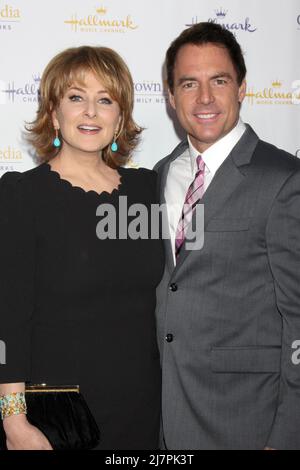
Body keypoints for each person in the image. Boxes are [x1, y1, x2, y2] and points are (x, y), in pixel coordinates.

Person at [0, 45, 164, 450]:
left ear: (120, 117)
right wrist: (15, 423)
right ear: (54, 114)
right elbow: (8, 320)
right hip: (58, 420)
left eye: (105, 100)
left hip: (143, 412)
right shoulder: (22, 196)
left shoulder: (148, 190)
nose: (91, 112)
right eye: (76, 97)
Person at [154, 22, 300, 450]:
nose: (204, 98)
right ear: (169, 95)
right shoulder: (160, 175)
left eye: (219, 81)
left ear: (241, 88)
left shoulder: (283, 181)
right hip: (166, 418)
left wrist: (287, 436)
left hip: (248, 422)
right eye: (188, 84)